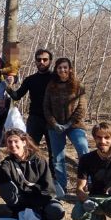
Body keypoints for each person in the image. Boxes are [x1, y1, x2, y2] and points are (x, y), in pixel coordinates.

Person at [0, 129, 64, 220]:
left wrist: (37, 207)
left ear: (24, 142)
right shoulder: (8, 163)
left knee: (56, 211)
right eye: (9, 142)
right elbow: (3, 180)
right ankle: (21, 213)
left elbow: (48, 188)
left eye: (16, 141)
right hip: (21, 201)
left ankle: (42, 218)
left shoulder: (39, 160)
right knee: (3, 186)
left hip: (42, 199)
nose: (13, 145)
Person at [42, 58, 88, 198]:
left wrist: (69, 124)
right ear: (56, 69)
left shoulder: (78, 85)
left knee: (83, 151)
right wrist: (54, 123)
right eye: (60, 67)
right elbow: (46, 107)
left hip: (74, 125)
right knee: (58, 158)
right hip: (54, 127)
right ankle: (62, 187)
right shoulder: (51, 85)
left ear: (70, 69)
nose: (62, 70)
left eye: (65, 67)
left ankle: (88, 183)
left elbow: (82, 107)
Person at [6, 49, 54, 154]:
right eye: (39, 59)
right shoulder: (30, 79)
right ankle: (30, 170)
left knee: (54, 153)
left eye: (45, 59)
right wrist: (8, 87)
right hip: (35, 119)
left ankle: (52, 171)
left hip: (52, 119)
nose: (41, 62)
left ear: (50, 61)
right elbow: (17, 96)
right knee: (30, 150)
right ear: (35, 61)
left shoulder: (56, 78)